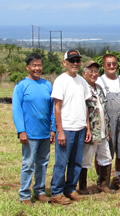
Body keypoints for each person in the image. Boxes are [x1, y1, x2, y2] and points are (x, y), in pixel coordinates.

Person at [12, 53, 56, 206]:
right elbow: (16, 110)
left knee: (43, 162)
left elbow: (52, 109)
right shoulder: (21, 86)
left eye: (39, 65)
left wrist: (53, 129)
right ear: (28, 67)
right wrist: (21, 131)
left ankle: (40, 191)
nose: (37, 68)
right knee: (28, 164)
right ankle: (24, 194)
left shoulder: (47, 85)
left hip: (45, 132)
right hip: (29, 134)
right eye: (34, 65)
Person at [50, 49, 92, 205]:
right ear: (64, 63)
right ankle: (56, 192)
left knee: (76, 161)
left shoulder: (82, 81)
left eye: (77, 61)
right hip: (66, 128)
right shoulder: (61, 81)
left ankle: (70, 189)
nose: (75, 64)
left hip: (80, 127)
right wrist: (59, 130)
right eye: (72, 61)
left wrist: (87, 127)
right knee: (61, 162)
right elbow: (57, 107)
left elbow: (86, 105)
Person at [96, 54, 120, 191]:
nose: (111, 66)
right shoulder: (99, 81)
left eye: (114, 64)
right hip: (106, 119)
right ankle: (102, 179)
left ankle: (118, 177)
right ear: (103, 66)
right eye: (108, 64)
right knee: (105, 150)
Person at [79, 60, 113, 194]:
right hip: (92, 131)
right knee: (86, 159)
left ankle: (103, 184)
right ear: (84, 73)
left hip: (103, 131)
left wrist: (108, 129)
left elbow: (104, 109)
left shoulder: (98, 88)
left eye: (95, 71)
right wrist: (87, 129)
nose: (93, 74)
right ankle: (82, 186)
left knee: (106, 157)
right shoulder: (82, 88)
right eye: (90, 71)